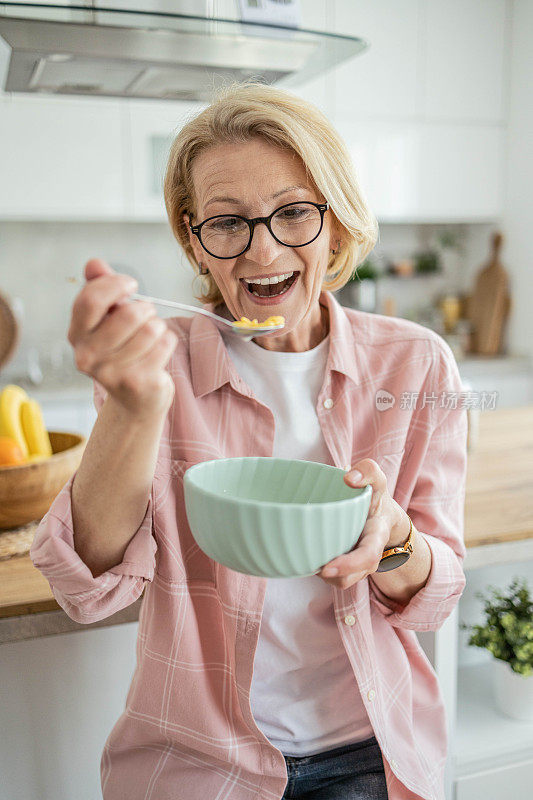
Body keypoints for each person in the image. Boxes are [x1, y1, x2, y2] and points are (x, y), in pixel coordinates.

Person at [30, 82, 467, 800]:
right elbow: (90, 589)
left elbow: (434, 593)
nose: (262, 250)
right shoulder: (151, 366)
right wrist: (136, 406)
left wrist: (392, 542)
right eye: (227, 223)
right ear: (194, 238)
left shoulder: (414, 364)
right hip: (198, 761)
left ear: (335, 224)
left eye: (293, 212)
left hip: (367, 751)